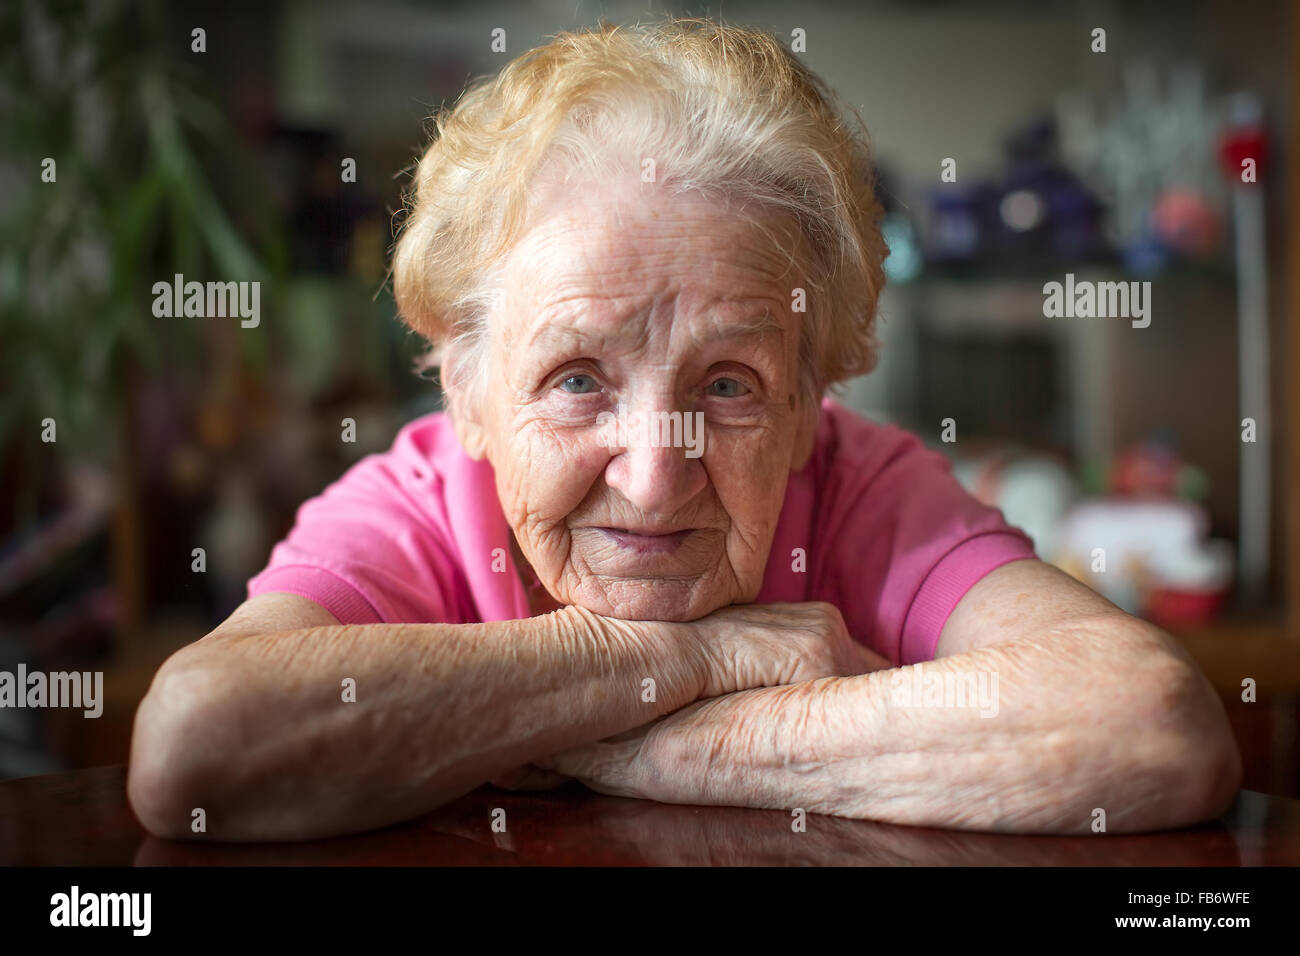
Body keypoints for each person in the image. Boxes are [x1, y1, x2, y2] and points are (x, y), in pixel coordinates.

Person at [127, 18, 1239, 841]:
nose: (655, 480)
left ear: (814, 395)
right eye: (574, 378)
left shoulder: (863, 483)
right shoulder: (418, 502)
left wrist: (639, 739)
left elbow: (1149, 725)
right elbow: (197, 749)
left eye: (727, 385)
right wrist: (697, 656)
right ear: (460, 380)